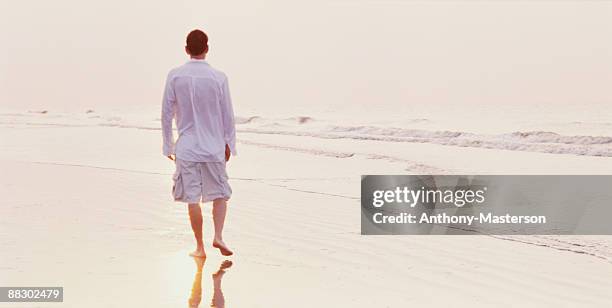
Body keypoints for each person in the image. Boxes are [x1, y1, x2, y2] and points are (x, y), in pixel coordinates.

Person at [161, 29, 236, 258]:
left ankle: (200, 247)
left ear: (186, 49)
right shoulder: (219, 77)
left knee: (193, 198)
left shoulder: (175, 75)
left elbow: (166, 113)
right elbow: (228, 115)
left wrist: (169, 146)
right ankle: (219, 236)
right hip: (213, 146)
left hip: (187, 148)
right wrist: (229, 144)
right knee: (221, 193)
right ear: (207, 48)